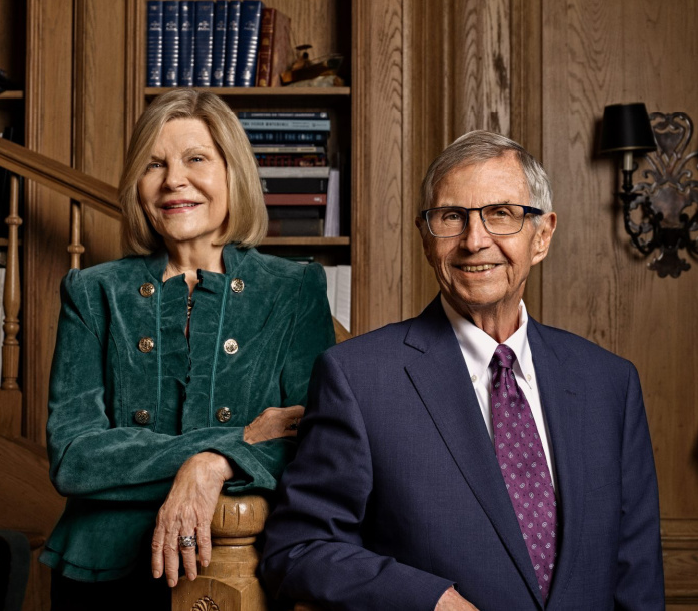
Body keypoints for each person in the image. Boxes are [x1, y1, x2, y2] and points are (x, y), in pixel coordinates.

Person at [260, 131, 664, 610]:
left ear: (543, 235)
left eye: (502, 214)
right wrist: (430, 601)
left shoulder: (610, 384)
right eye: (451, 217)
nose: (475, 241)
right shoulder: (358, 379)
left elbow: (636, 578)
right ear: (426, 238)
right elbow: (298, 550)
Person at [39, 88, 335, 609]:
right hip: (104, 576)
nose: (174, 180)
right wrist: (232, 442)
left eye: (195, 158)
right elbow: (74, 457)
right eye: (154, 164)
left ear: (231, 171)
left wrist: (212, 465)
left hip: (244, 564)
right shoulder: (92, 291)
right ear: (138, 184)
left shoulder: (296, 288)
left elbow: (309, 443)